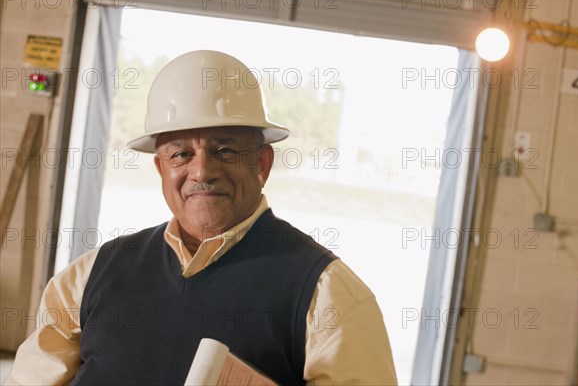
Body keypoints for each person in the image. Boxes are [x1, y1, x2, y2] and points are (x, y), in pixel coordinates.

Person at [5, 50, 397, 385]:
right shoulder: (89, 277)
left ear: (262, 163)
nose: (202, 171)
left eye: (225, 150)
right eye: (181, 154)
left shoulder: (327, 295)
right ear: (162, 169)